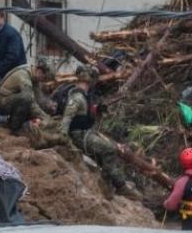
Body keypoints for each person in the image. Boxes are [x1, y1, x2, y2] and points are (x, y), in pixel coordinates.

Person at [56, 66, 141, 199]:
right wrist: (65, 141)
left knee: (115, 147)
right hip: (79, 136)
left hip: (86, 132)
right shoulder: (77, 97)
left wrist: (97, 111)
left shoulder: (84, 95)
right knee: (109, 149)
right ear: (91, 79)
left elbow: (84, 114)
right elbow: (67, 119)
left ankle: (115, 183)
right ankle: (115, 185)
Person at [0, 61, 52, 134]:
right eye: (44, 78)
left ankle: (12, 124)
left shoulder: (33, 76)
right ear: (39, 72)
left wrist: (48, 106)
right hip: (0, 102)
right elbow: (31, 100)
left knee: (29, 102)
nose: (43, 81)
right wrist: (45, 117)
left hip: (10, 100)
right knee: (26, 99)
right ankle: (14, 128)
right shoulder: (24, 75)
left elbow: (39, 99)